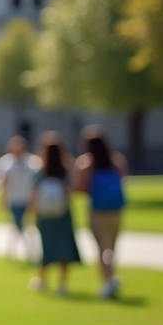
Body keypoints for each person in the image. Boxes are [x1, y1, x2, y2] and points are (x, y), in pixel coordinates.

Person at [74, 124, 129, 299]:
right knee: (111, 248)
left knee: (101, 249)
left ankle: (107, 280)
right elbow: (122, 182)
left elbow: (81, 188)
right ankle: (112, 276)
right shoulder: (117, 160)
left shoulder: (86, 163)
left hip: (97, 211)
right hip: (116, 210)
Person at [28, 132, 81, 296]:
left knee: (47, 247)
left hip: (45, 215)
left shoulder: (41, 171)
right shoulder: (65, 171)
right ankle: (62, 283)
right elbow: (72, 190)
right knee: (64, 248)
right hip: (62, 214)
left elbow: (34, 196)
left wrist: (33, 214)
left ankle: (42, 279)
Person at [0, 135, 41, 261]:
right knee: (18, 224)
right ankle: (24, 249)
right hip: (13, 198)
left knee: (24, 225)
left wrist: (34, 200)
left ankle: (25, 249)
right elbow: (2, 183)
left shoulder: (32, 162)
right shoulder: (6, 162)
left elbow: (35, 184)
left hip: (27, 198)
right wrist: (2, 200)